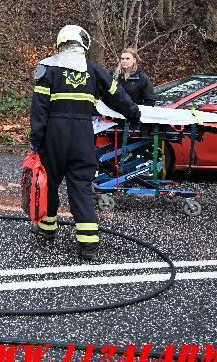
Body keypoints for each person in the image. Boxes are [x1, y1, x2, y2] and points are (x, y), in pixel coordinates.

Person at [29, 25, 140, 261]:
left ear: (60, 43)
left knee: (49, 184)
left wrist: (36, 140)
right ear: (84, 44)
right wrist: (135, 115)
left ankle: (47, 231)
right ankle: (88, 243)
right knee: (80, 187)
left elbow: (39, 108)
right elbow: (118, 96)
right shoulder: (95, 70)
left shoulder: (46, 68)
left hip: (54, 135)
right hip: (82, 135)